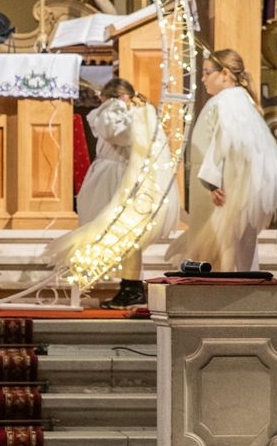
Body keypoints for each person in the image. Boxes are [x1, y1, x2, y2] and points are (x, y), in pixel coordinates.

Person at [48, 78, 179, 307]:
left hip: (118, 178)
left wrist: (114, 107)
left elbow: (115, 133)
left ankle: (131, 288)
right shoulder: (133, 114)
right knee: (117, 234)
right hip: (114, 175)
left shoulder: (130, 114)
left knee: (123, 234)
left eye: (104, 101)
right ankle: (127, 285)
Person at [166, 48, 277, 272]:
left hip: (220, 189)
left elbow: (226, 144)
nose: (203, 79)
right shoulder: (237, 99)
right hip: (220, 184)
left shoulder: (227, 102)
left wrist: (213, 182)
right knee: (232, 249)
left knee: (223, 249)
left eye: (207, 73)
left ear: (225, 73)